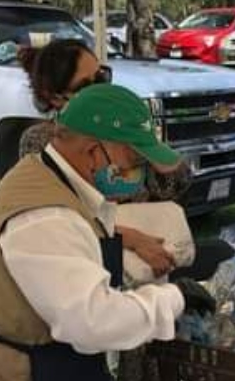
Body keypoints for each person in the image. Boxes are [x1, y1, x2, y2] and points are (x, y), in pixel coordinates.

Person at [0, 84, 216, 381]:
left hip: (52, 378)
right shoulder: (45, 215)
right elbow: (91, 320)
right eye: (134, 160)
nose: (140, 171)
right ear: (93, 151)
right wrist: (174, 298)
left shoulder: (53, 181)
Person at [17, 39, 189, 277]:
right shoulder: (41, 143)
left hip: (150, 253)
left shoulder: (122, 126)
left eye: (102, 77)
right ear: (55, 97)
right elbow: (56, 222)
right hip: (94, 258)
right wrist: (130, 238)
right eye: (87, 85)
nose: (101, 88)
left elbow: (175, 186)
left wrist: (146, 146)